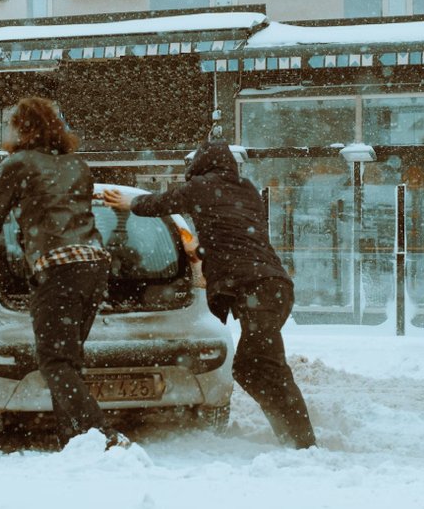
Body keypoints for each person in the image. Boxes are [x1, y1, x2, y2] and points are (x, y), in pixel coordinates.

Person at [104, 140, 317, 449]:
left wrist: (130, 204)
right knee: (259, 366)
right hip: (271, 286)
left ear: (200, 165)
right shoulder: (246, 189)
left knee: (259, 367)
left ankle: (302, 442)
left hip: (253, 288)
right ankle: (295, 436)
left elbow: (162, 203)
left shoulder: (204, 186)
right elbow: (232, 236)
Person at [0, 97, 127, 450]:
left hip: (58, 268)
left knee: (54, 360)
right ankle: (73, 443)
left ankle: (103, 437)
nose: (6, 130)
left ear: (23, 128)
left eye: (11, 123)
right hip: (94, 266)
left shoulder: (19, 164)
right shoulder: (78, 165)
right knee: (68, 360)